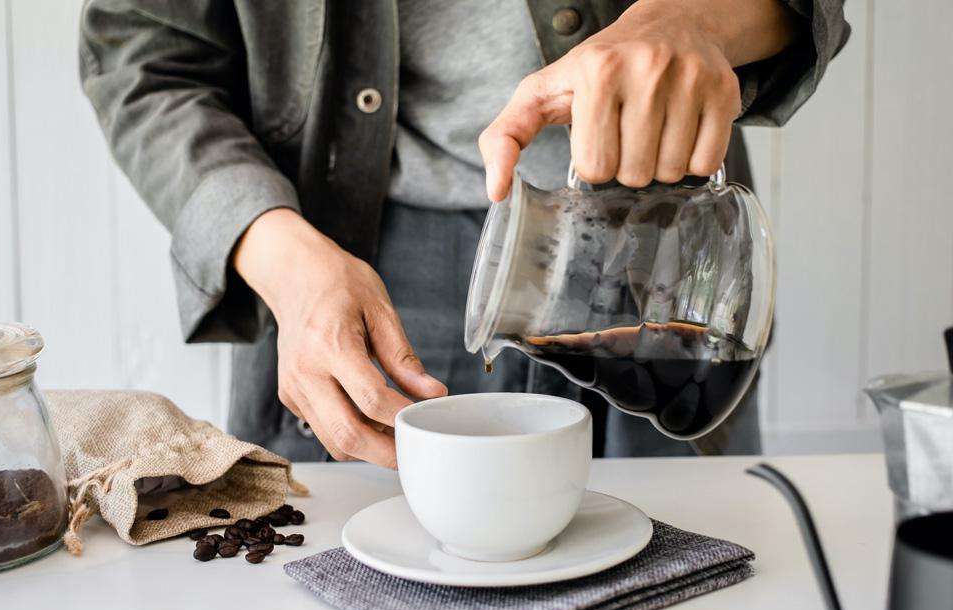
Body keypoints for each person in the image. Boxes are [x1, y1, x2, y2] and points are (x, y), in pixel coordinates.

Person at [80, 0, 849, 467]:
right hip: (354, 252)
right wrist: (278, 254)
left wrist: (695, 20)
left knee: (685, 570)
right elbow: (143, 57)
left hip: (669, 238)